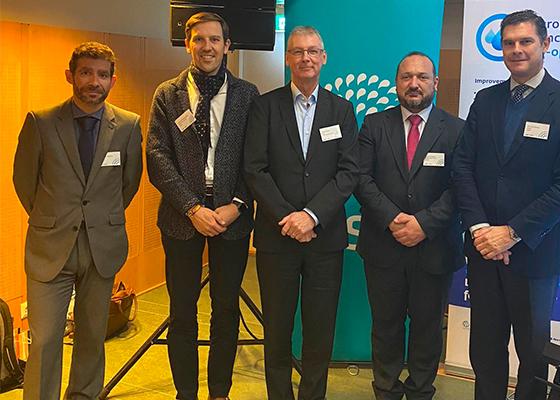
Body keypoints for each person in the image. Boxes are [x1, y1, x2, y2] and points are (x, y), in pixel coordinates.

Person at [452, 9, 560, 400]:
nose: (516, 50)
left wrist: (511, 233)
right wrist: (481, 230)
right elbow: (462, 167)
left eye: (526, 41)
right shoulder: (485, 100)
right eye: (509, 43)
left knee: (533, 355)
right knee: (485, 350)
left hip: (534, 253)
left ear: (545, 44)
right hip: (483, 251)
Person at [12, 41, 143, 399]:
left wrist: (100, 217)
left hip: (102, 247)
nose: (94, 82)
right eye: (86, 72)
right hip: (50, 246)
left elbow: (129, 184)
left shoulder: (128, 125)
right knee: (45, 339)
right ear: (70, 75)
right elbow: (24, 181)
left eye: (102, 74)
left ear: (113, 80)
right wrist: (52, 217)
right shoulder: (41, 122)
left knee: (92, 335)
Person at [146, 12, 259, 400]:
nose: (206, 47)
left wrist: (238, 204)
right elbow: (157, 156)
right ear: (187, 44)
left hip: (232, 216)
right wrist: (192, 208)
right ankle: (186, 393)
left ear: (227, 46)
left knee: (225, 310)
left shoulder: (247, 95)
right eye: (199, 39)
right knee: (182, 311)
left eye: (214, 40)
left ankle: (219, 392)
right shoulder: (167, 94)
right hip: (182, 217)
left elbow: (256, 157)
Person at [244, 25, 359, 400]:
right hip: (277, 238)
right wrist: (288, 218)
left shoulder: (342, 110)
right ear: (287, 59)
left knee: (319, 330)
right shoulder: (265, 106)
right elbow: (254, 168)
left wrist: (311, 216)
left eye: (312, 51)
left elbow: (349, 172)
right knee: (277, 329)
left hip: (325, 240)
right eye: (297, 51)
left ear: (324, 58)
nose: (305, 58)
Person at [355, 52, 464, 400]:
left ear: (435, 82)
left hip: (434, 247)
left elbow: (461, 187)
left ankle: (420, 391)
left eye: (422, 77)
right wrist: (392, 218)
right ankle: (386, 390)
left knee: (427, 328)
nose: (414, 84)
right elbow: (361, 179)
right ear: (396, 83)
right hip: (383, 245)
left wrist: (423, 224)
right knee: (385, 326)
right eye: (406, 77)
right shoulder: (374, 125)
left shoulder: (457, 129)